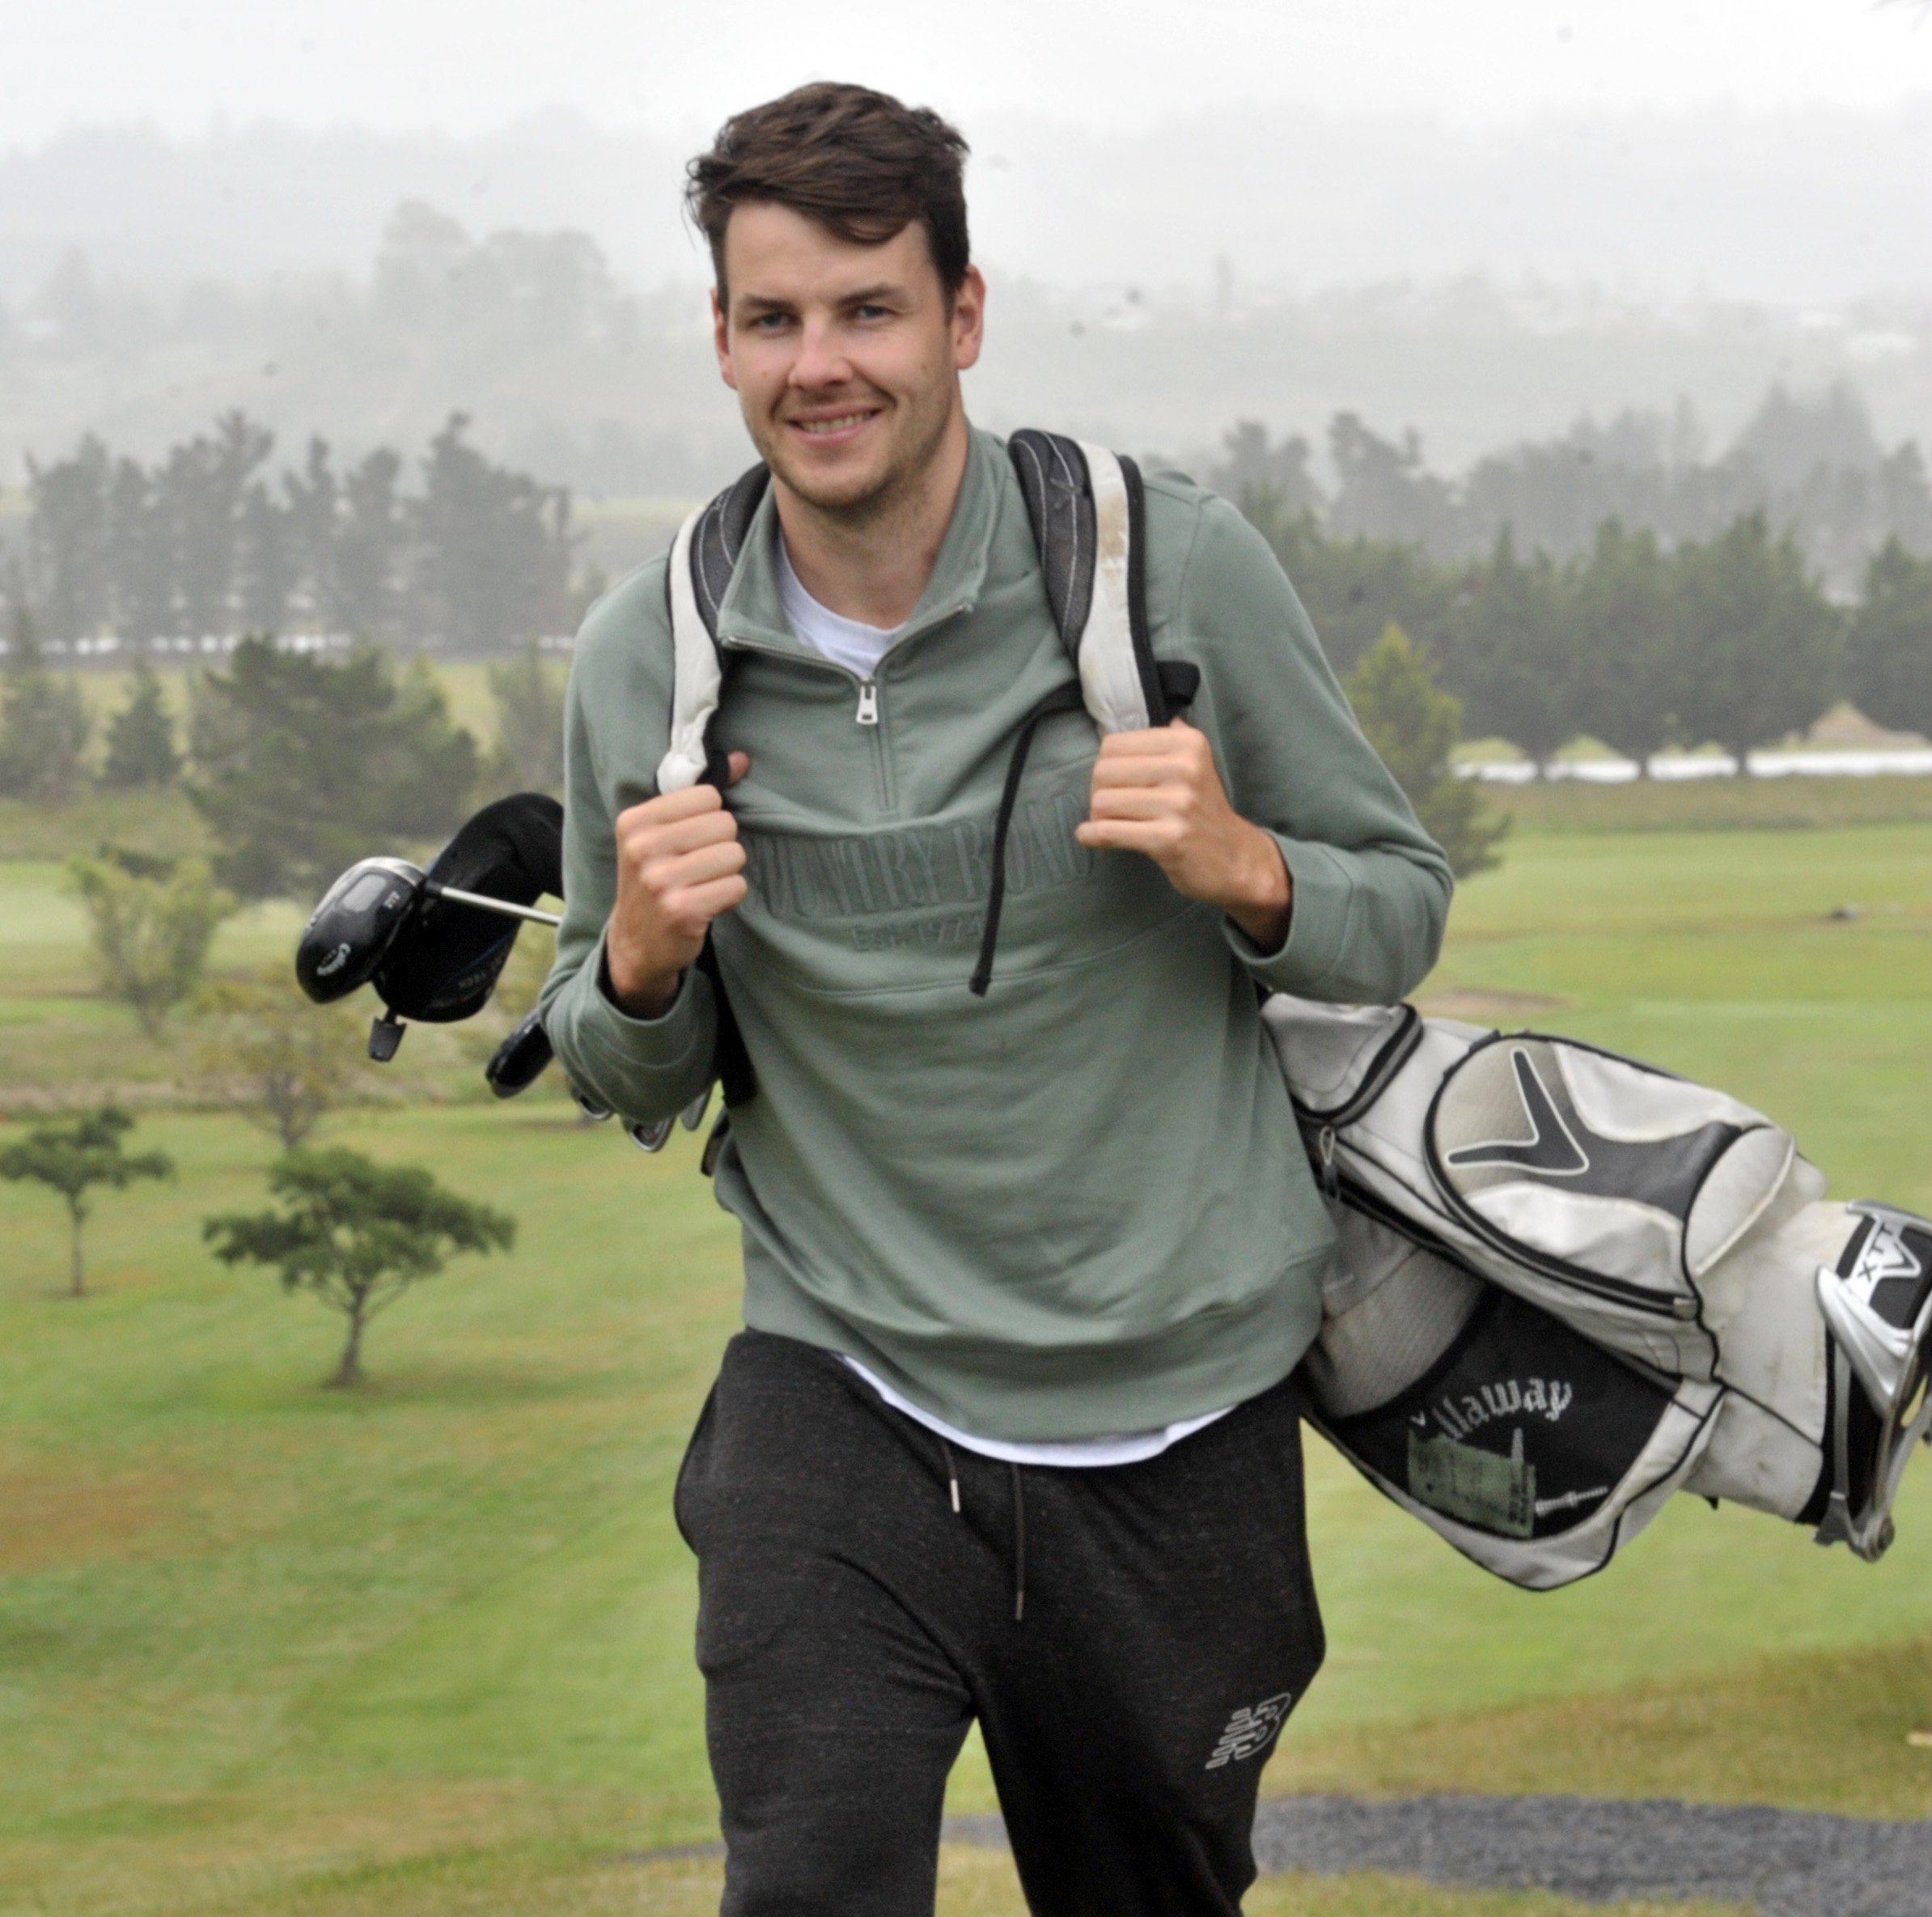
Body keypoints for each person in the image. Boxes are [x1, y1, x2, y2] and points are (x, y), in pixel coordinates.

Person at [540, 80, 1451, 1917]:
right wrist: (638, 967)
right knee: (808, 1885)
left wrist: (1248, 869)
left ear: (963, 317)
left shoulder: (1163, 570)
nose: (822, 364)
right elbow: (611, 1055)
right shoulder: (655, 652)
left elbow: (1399, 912)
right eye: (775, 317)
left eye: (870, 309)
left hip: (1177, 1410)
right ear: (719, 338)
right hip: (843, 1380)